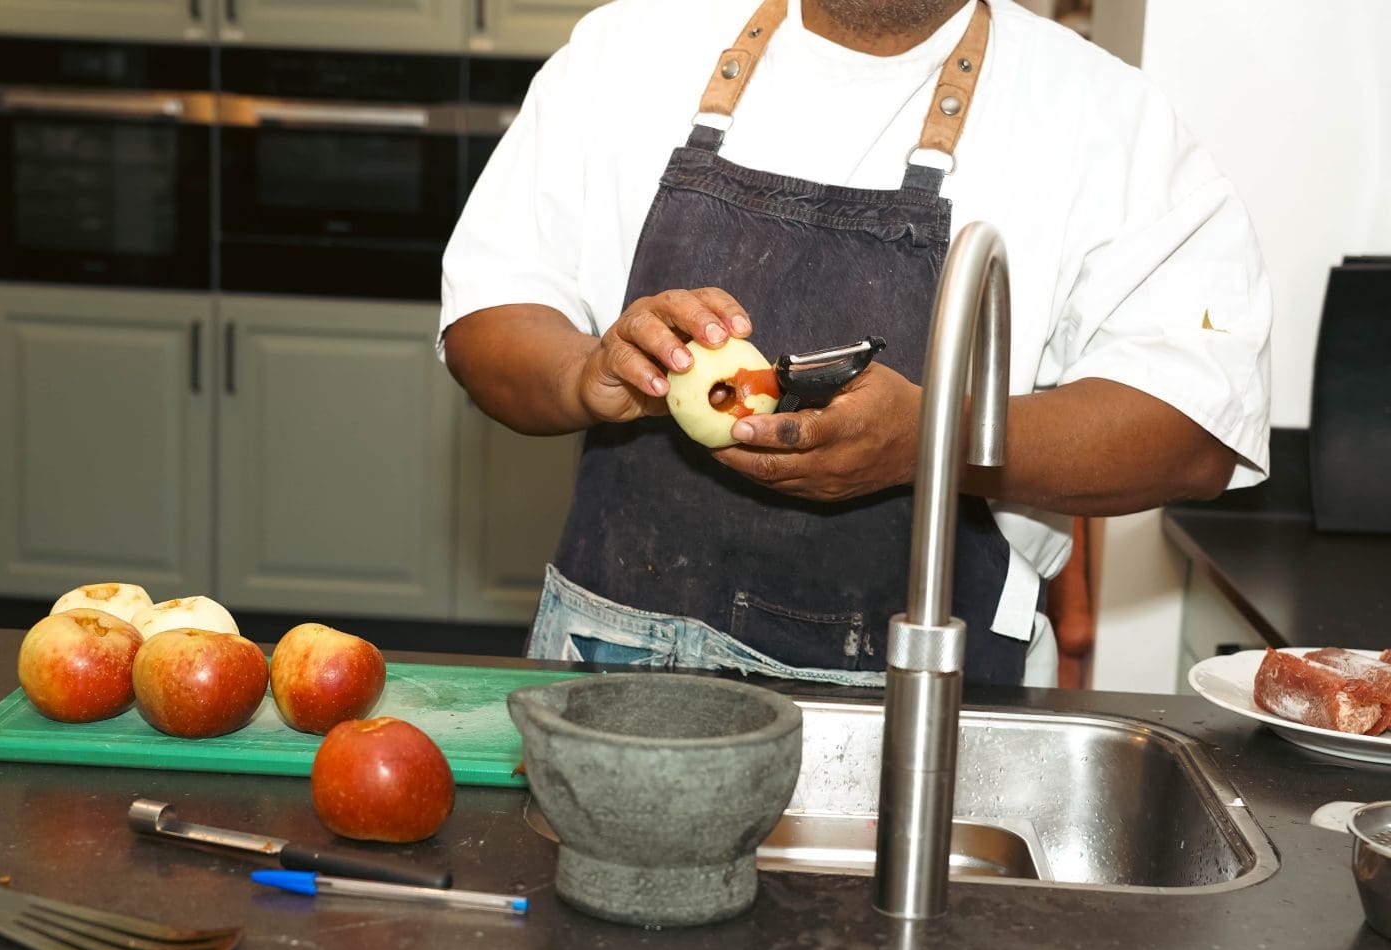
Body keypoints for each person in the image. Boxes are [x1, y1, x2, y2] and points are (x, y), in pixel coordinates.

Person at [438, 0, 1271, 688]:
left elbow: (1192, 430)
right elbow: (491, 313)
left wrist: (931, 440)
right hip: (607, 670)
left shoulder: (1103, 119)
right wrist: (585, 371)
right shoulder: (630, 48)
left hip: (922, 718)